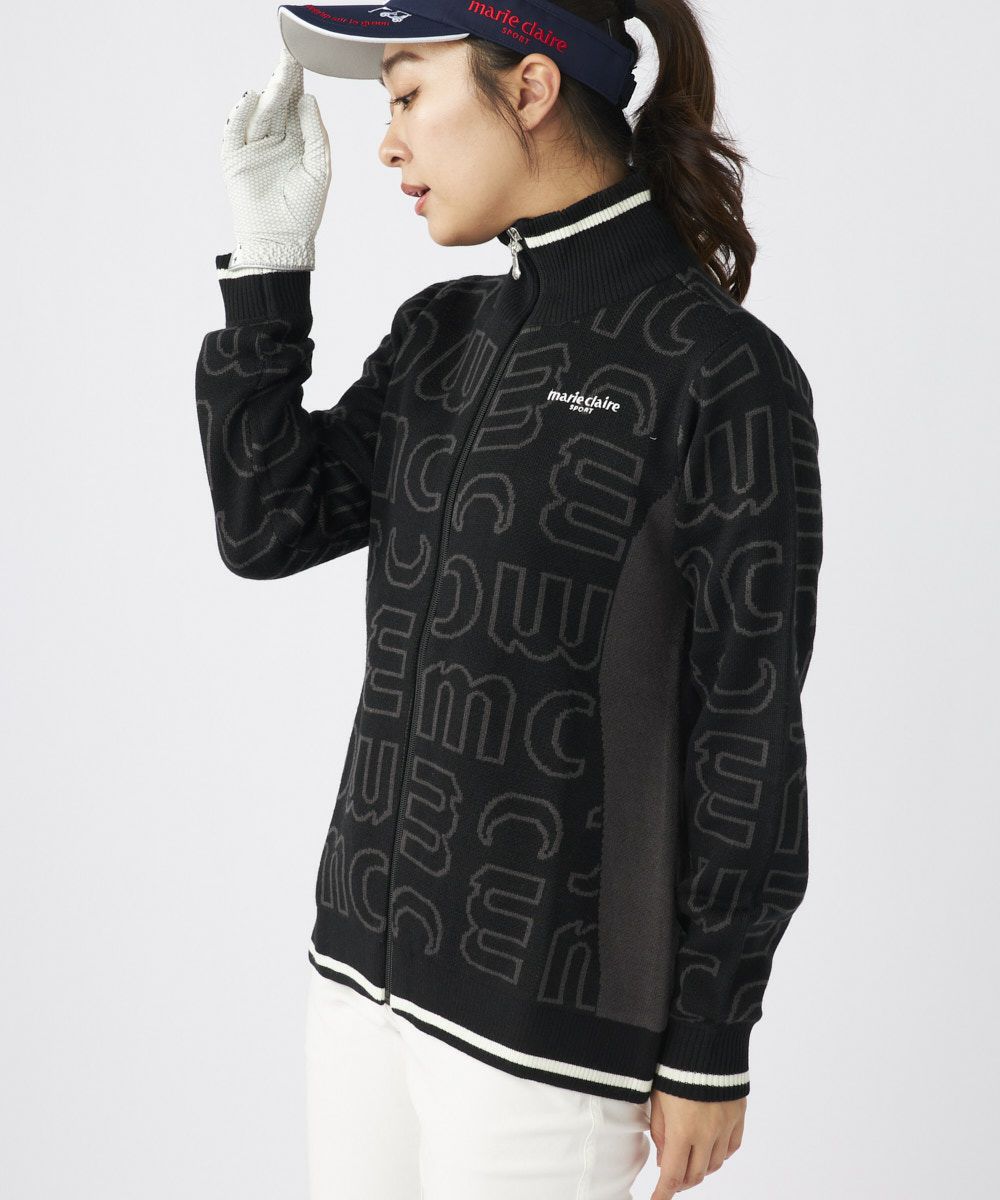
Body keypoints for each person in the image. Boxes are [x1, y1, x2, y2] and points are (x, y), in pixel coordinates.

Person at [193, 2, 823, 1197]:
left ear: (529, 88)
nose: (385, 142)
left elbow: (747, 729)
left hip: (547, 1029)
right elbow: (269, 524)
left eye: (406, 93)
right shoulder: (443, 335)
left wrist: (710, 1038)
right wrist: (268, 273)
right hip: (360, 981)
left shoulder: (719, 374)